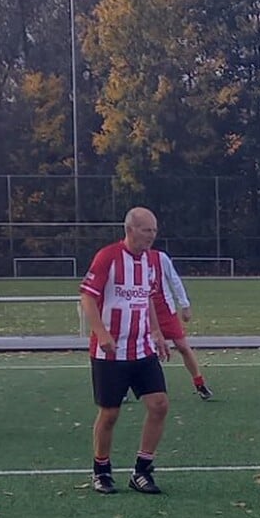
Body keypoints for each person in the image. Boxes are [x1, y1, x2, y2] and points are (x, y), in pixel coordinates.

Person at [81, 207, 171, 495]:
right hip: (110, 353)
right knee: (109, 414)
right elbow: (87, 297)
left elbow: (147, 300)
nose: (152, 236)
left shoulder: (150, 262)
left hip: (142, 349)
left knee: (159, 405)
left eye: (155, 230)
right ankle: (101, 470)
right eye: (147, 230)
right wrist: (101, 332)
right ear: (131, 229)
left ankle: (142, 470)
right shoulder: (107, 257)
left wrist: (156, 332)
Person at [152, 247, 213, 400]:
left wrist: (184, 305)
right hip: (141, 311)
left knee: (182, 347)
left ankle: (199, 383)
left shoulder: (160, 258)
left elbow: (174, 280)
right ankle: (124, 389)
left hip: (165, 311)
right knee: (138, 351)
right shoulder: (128, 260)